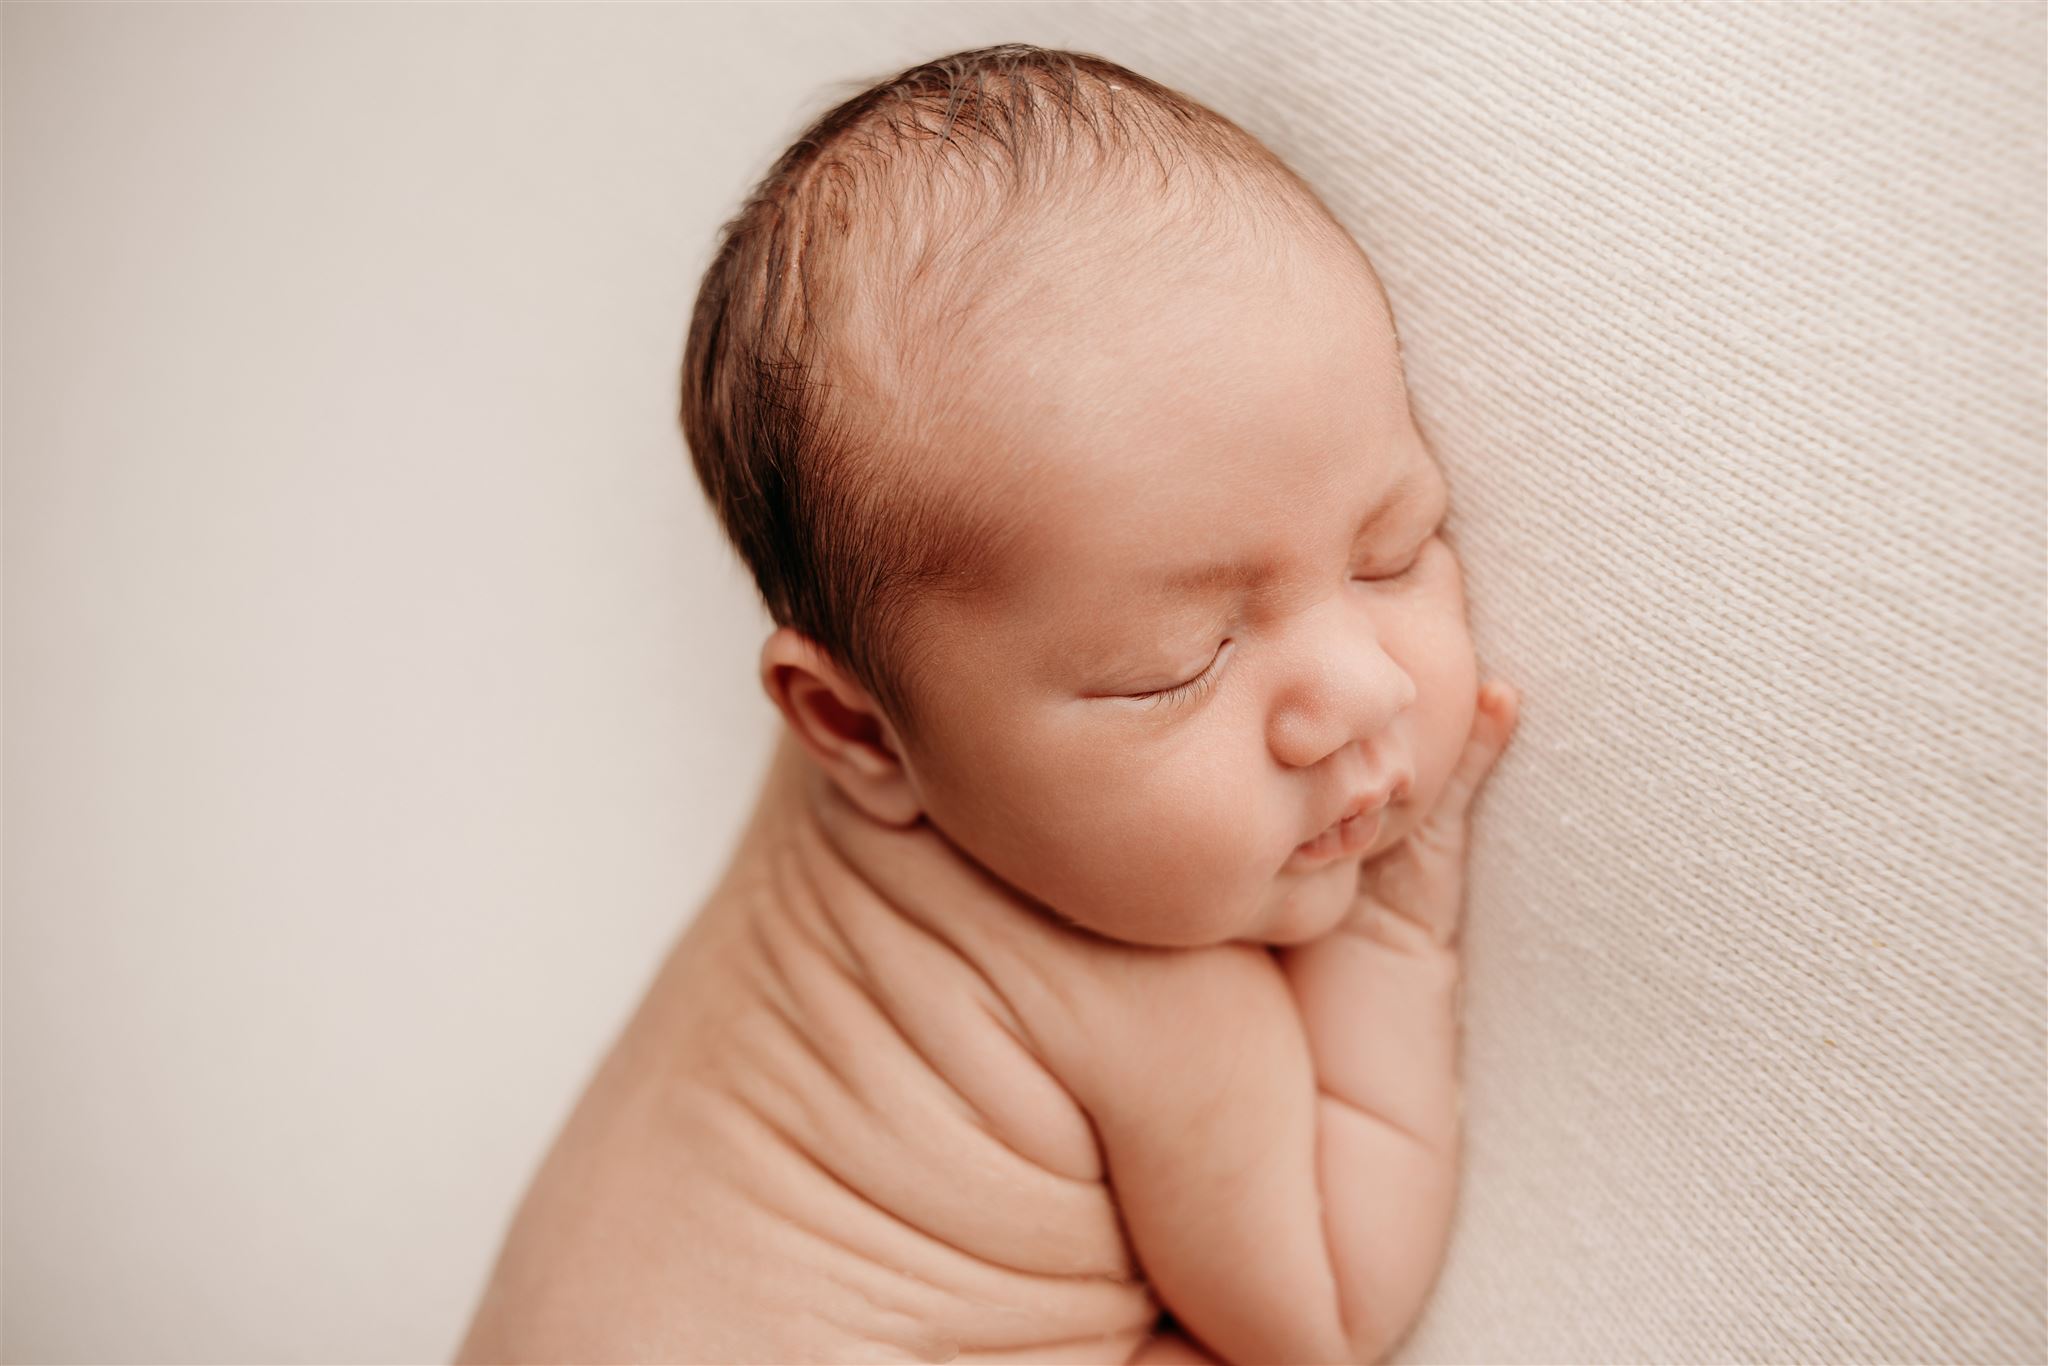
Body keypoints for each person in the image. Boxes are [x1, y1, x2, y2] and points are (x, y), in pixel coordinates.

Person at [456, 42, 1522, 1365]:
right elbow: (1329, 1315)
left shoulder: (898, 757)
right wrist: (1396, 935)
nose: (1365, 694)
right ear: (851, 725)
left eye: (1394, 546)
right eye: (1172, 667)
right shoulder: (1170, 1008)